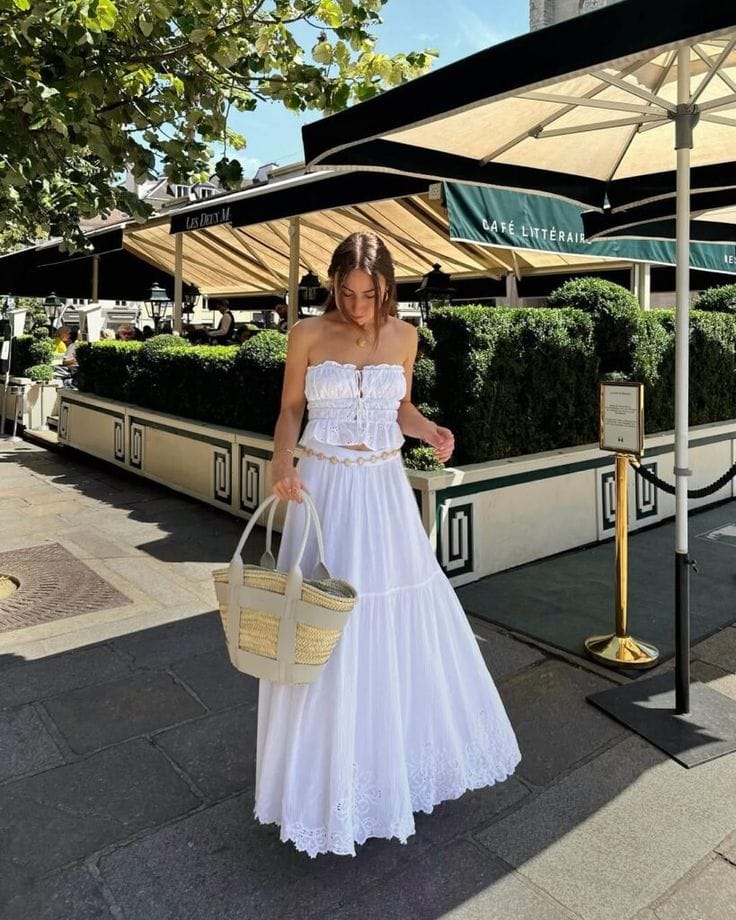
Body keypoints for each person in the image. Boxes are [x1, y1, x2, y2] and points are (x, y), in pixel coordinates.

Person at [258, 231, 520, 858]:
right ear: (333, 285)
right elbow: (291, 410)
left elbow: (399, 407)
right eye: (346, 292)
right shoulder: (306, 334)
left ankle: (388, 766)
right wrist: (281, 461)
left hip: (382, 492)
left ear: (386, 289)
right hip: (323, 488)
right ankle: (318, 779)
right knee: (318, 621)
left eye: (368, 294)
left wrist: (430, 429)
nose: (356, 305)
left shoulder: (405, 336)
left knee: (393, 619)